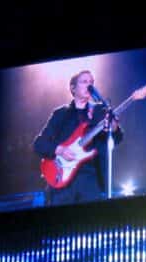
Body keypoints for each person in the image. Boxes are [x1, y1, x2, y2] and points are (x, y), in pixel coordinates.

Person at [33, 70, 123, 206]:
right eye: (84, 82)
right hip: (61, 181)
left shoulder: (100, 112)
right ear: (73, 88)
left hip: (90, 180)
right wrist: (59, 150)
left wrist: (114, 128)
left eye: (92, 82)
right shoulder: (60, 114)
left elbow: (116, 139)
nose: (89, 85)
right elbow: (39, 144)